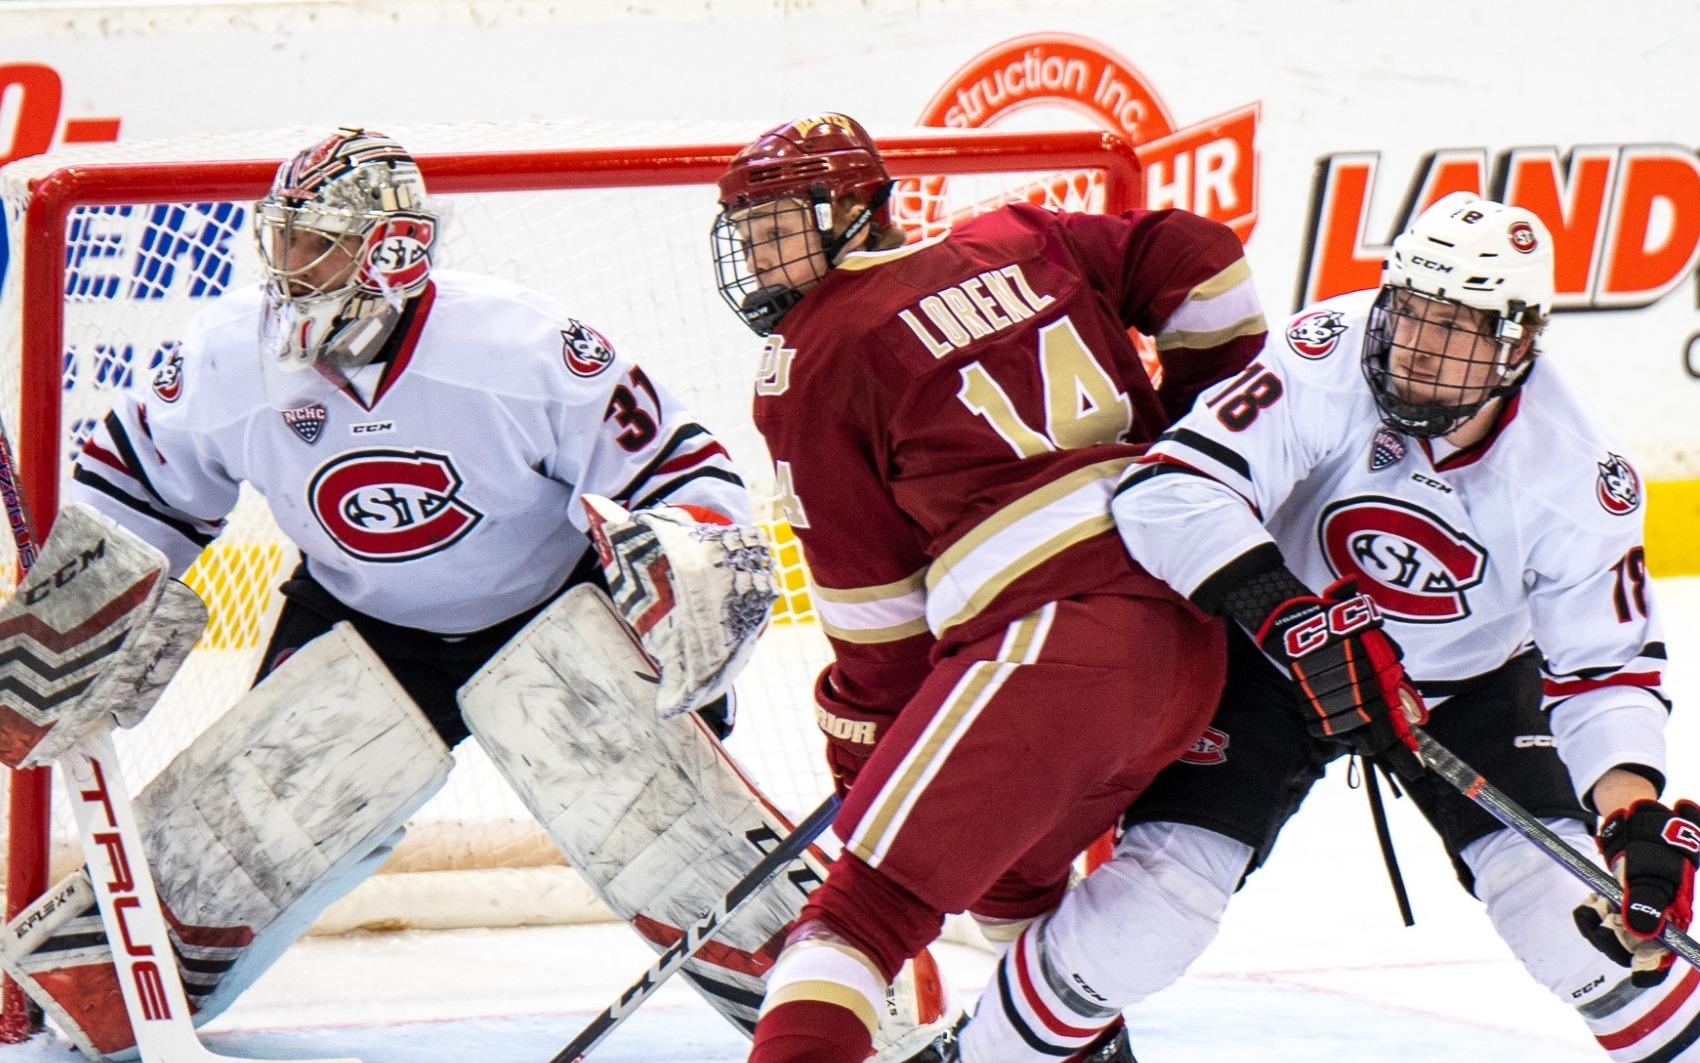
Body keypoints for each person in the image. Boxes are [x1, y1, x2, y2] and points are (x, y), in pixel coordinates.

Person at [0, 127, 780, 1060]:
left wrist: (686, 574)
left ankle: (828, 999)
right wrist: (80, 613)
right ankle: (84, 1005)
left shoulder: (522, 346)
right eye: (281, 237)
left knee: (663, 827)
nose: (285, 264)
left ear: (390, 248)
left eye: (312, 241)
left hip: (549, 614)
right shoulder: (226, 354)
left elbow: (678, 468)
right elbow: (139, 489)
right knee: (245, 833)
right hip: (357, 620)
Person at [952, 192, 1700, 1062]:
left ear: (1521, 341)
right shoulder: (1331, 351)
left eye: (1457, 330)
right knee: (1148, 913)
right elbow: (1168, 491)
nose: (1419, 348)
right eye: (1412, 313)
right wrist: (1293, 623)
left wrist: (1629, 811)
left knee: (1582, 926)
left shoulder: (1581, 471)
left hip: (1466, 688)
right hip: (1276, 659)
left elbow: (1605, 669)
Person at [708, 112, 1269, 1063]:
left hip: (1055, 642)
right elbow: (1202, 256)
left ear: (860, 209)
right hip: (1185, 644)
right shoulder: (1020, 236)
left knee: (861, 912)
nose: (761, 256)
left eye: (779, 225)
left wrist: (867, 748)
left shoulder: (813, 352)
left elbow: (872, 611)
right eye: (747, 234)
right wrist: (1194, 444)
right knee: (1016, 888)